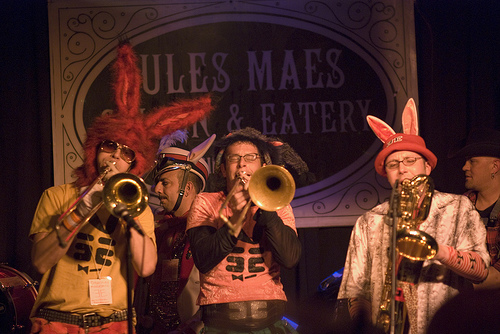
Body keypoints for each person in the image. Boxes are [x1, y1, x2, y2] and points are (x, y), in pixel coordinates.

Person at [28, 41, 213, 334]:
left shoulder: (137, 206)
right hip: (58, 321)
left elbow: (147, 267)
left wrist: (129, 212)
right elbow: (40, 261)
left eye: (127, 152)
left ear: (133, 165)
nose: (116, 155)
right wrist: (86, 204)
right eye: (110, 146)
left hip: (114, 323)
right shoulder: (57, 196)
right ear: (95, 151)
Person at [337, 99, 490, 334]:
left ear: (427, 167)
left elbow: (481, 271)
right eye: (393, 164)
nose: (402, 169)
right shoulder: (369, 221)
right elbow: (355, 290)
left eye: (410, 161)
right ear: (386, 174)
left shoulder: (458, 207)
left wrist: (438, 251)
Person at [185, 127, 309, 334]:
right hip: (220, 326)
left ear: (262, 165)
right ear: (223, 170)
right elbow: (204, 260)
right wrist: (235, 217)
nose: (242, 164)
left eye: (251, 157)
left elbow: (289, 258)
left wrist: (264, 204)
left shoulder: (279, 204)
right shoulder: (205, 202)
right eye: (234, 158)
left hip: (270, 325)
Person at [135, 135, 215, 334]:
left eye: (165, 183)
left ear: (187, 188)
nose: (156, 188)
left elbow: (217, 296)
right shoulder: (156, 227)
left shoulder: (212, 230)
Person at [449, 127, 500, 289]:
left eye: (472, 161)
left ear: (494, 167)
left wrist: (452, 289)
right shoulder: (458, 205)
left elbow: (498, 277)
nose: (464, 167)